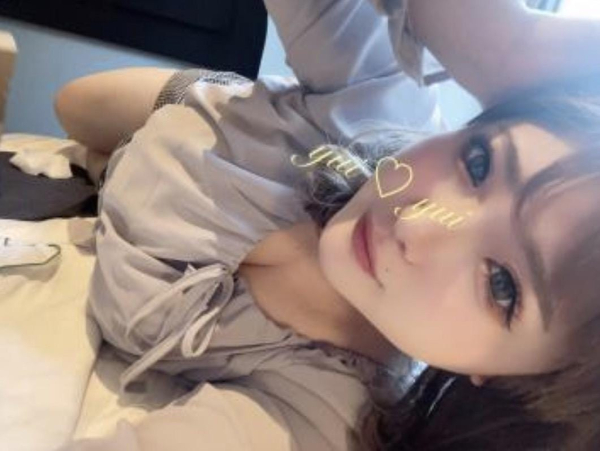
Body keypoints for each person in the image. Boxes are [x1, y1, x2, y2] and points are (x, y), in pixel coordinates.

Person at [54, 0, 600, 450]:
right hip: (200, 110)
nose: (416, 227)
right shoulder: (376, 104)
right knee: (71, 103)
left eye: (501, 285)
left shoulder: (321, 417)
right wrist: (510, 43)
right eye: (479, 163)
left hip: (131, 184)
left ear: (510, 380)